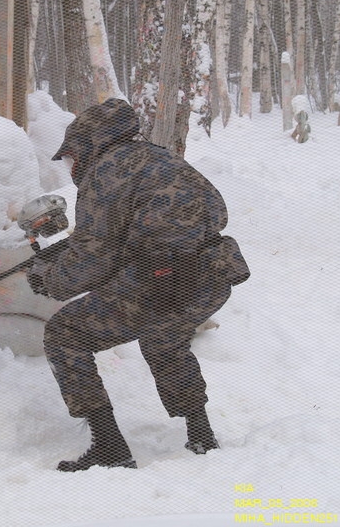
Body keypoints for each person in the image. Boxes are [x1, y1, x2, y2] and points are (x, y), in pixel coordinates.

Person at [26, 98, 250, 472]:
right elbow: (209, 215)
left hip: (159, 283)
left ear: (90, 144)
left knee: (65, 334)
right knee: (164, 336)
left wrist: (49, 279)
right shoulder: (165, 160)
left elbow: (93, 256)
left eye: (72, 156)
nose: (72, 165)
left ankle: (109, 446)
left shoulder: (106, 172)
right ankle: (201, 436)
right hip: (212, 277)